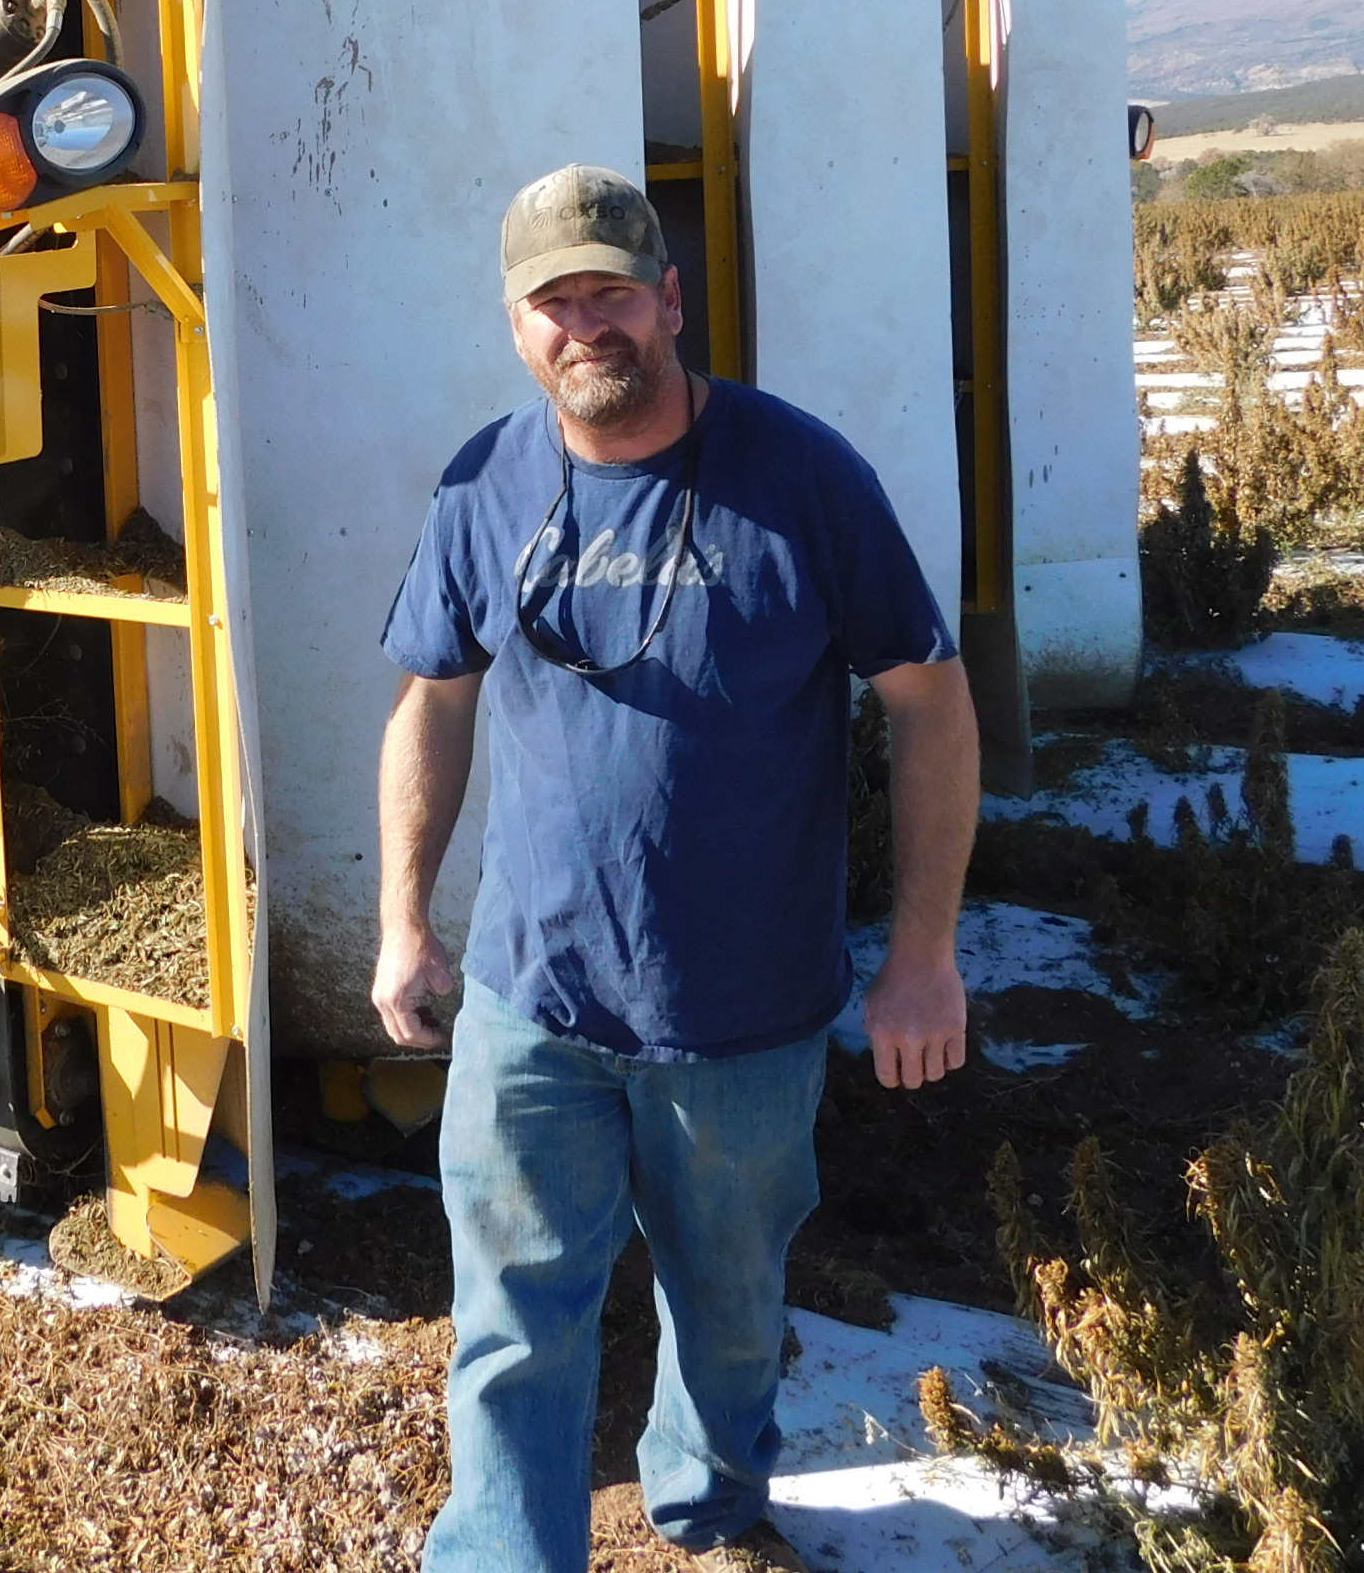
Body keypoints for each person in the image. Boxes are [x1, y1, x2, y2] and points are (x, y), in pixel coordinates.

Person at [375, 164, 979, 1573]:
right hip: (532, 1000)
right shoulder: (484, 483)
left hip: (744, 1014)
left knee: (727, 1309)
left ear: (670, 301)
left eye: (612, 292)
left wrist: (923, 955)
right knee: (512, 1319)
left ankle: (709, 1511)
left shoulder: (803, 477)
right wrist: (405, 919)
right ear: (518, 325)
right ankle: (506, 1557)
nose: (586, 323)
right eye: (554, 301)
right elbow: (432, 702)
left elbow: (930, 700)